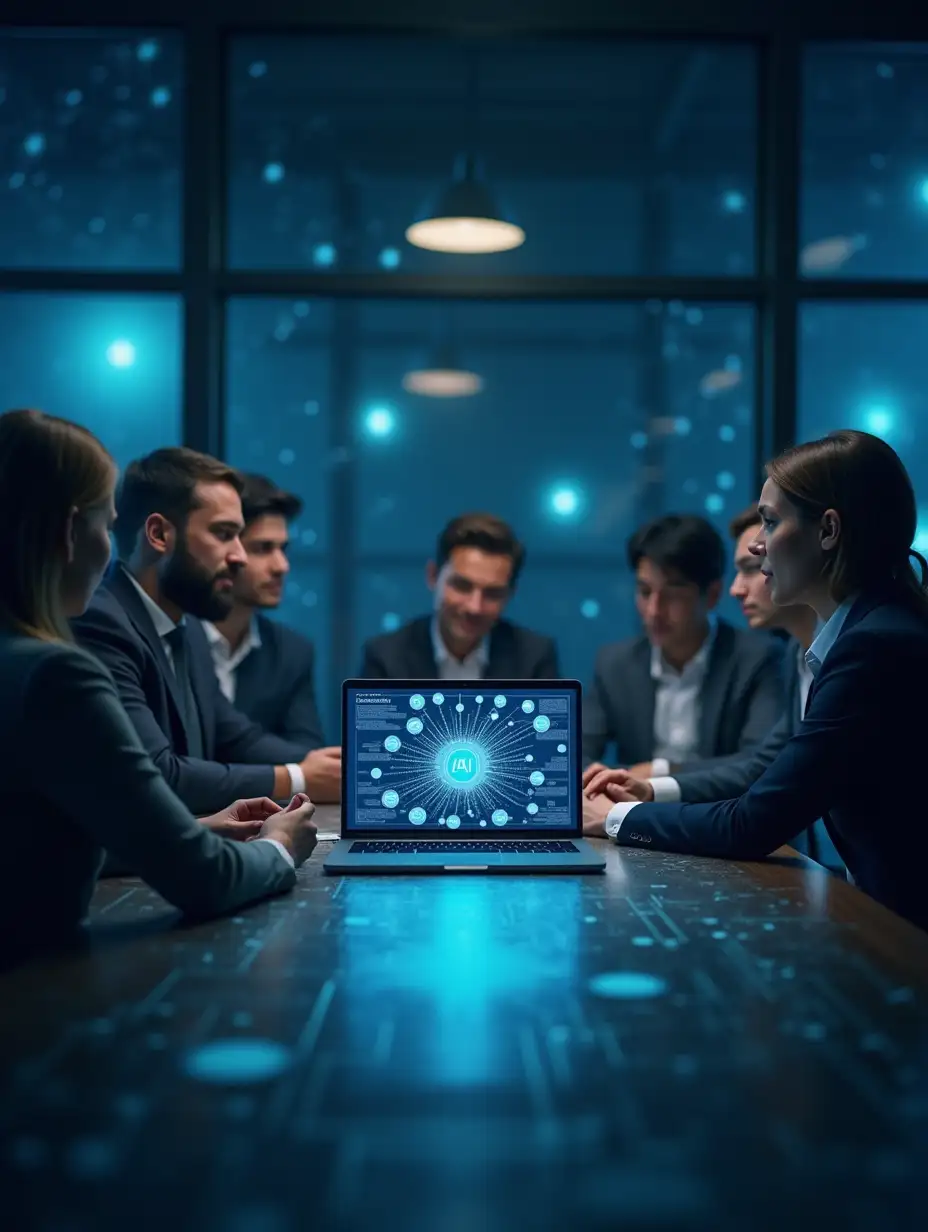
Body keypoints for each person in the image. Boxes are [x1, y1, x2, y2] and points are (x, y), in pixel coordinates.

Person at [0, 409, 317, 957]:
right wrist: (280, 849)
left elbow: (38, 837)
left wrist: (195, 829)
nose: (108, 549)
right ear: (69, 533)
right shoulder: (57, 674)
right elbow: (204, 880)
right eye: (104, 523)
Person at [584, 430, 928, 931]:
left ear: (828, 530)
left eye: (770, 521)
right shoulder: (868, 632)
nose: (759, 542)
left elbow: (753, 823)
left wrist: (614, 819)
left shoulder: (872, 648)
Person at [72, 448, 340, 817]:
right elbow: (158, 773)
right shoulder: (101, 623)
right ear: (158, 534)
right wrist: (296, 777)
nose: (240, 556)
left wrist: (332, 767)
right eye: (224, 534)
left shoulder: (189, 628)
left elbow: (236, 736)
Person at [590, 505, 844, 873]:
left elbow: (757, 774)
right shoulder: (797, 654)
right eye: (644, 591)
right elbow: (765, 765)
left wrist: (638, 795)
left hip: (750, 851)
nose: (654, 611)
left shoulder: (775, 656)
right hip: (685, 837)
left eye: (755, 568)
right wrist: (634, 792)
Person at [582, 513, 784, 774]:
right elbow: (577, 755)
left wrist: (659, 772)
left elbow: (759, 761)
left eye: (672, 594)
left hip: (718, 811)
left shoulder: (758, 658)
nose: (654, 610)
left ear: (711, 595)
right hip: (636, 811)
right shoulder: (614, 664)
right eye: (645, 592)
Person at [203, 473, 328, 749]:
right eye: (262, 549)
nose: (281, 565)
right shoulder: (175, 638)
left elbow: (309, 755)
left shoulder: (291, 652)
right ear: (227, 549)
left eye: (283, 549)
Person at [359, 512, 559, 680]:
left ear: (509, 595)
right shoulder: (386, 657)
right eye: (462, 586)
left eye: (492, 593)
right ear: (433, 576)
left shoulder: (534, 657)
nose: (474, 607)